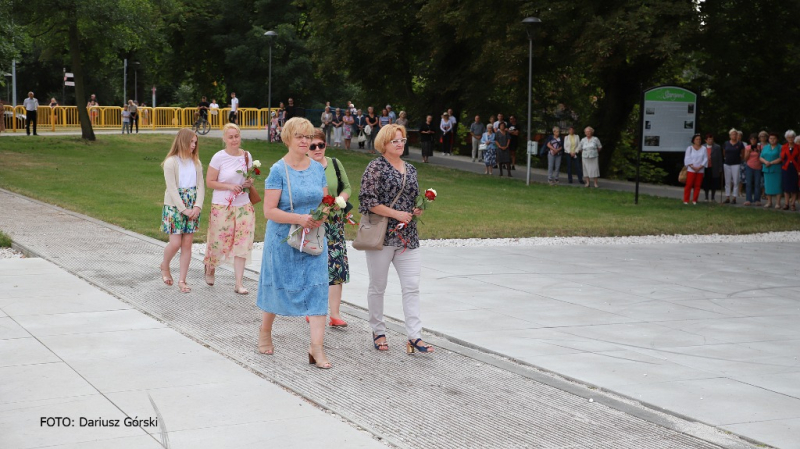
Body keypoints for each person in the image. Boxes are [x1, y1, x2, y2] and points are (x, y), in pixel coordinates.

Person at [257, 117, 331, 368]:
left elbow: (324, 201)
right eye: (300, 136)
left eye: (308, 137)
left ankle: (316, 348)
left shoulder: (318, 168)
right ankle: (265, 331)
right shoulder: (278, 170)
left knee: (319, 288)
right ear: (287, 138)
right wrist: (300, 218)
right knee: (277, 284)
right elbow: (269, 210)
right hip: (283, 239)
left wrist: (323, 214)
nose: (305, 141)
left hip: (313, 238)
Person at [359, 124, 433, 355]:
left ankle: (414, 336)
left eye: (402, 140)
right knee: (378, 286)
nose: (400, 144)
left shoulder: (411, 169)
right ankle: (378, 330)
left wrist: (416, 209)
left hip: (408, 236)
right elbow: (367, 201)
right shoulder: (375, 167)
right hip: (382, 236)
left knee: (411, 287)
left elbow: (411, 197)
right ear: (384, 144)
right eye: (395, 141)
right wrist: (396, 214)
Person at [203, 123, 256, 294]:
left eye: (236, 136)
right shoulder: (219, 157)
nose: (234, 140)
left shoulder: (246, 156)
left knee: (242, 243)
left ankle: (238, 283)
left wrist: (248, 183)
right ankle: (210, 266)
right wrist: (228, 186)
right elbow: (210, 182)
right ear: (224, 139)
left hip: (243, 205)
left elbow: (248, 178)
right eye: (230, 137)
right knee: (218, 241)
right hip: (222, 205)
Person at [307, 128, 351, 327]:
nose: (317, 149)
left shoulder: (334, 163)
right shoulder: (304, 167)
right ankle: (313, 309)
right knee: (313, 266)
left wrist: (341, 199)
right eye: (313, 145)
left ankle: (335, 313)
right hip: (314, 223)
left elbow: (347, 187)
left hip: (335, 223)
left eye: (321, 145)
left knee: (336, 266)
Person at [160, 129, 204, 293]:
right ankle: (165, 265)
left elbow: (200, 186)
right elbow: (171, 189)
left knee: (187, 244)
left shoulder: (196, 163)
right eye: (191, 142)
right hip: (175, 207)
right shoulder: (171, 162)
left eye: (195, 142)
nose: (194, 145)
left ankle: (182, 280)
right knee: (175, 243)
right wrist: (183, 209)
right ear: (183, 141)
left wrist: (197, 206)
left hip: (192, 206)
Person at [683, 134, 708, 205]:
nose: (698, 141)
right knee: (689, 184)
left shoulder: (703, 148)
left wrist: (700, 167)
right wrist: (692, 166)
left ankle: (694, 200)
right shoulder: (690, 148)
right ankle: (686, 200)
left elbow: (705, 158)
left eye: (699, 139)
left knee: (697, 185)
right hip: (691, 169)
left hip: (700, 169)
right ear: (694, 140)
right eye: (697, 139)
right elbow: (687, 158)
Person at [760, 132, 783, 209]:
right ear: (768, 139)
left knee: (778, 186)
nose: (772, 140)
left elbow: (781, 158)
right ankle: (769, 202)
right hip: (767, 169)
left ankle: (778, 203)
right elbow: (761, 157)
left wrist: (771, 162)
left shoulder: (780, 147)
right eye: (770, 138)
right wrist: (766, 162)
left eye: (774, 138)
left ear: (777, 139)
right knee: (768, 186)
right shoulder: (765, 147)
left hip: (776, 169)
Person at [722, 128, 744, 204]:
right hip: (727, 164)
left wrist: (738, 159)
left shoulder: (740, 144)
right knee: (727, 181)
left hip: (736, 164)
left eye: (735, 134)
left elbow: (742, 154)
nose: (734, 135)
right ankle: (727, 197)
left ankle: (734, 198)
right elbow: (724, 153)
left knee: (736, 181)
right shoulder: (726, 143)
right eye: (733, 134)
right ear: (730, 135)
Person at [780, 130, 800, 211]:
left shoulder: (798, 147)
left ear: (794, 137)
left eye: (792, 137)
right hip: (786, 168)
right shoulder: (784, 147)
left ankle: (793, 204)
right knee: (786, 187)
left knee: (794, 187)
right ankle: (786, 204)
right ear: (786, 138)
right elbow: (782, 157)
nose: (790, 138)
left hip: (795, 168)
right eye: (789, 137)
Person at [702, 134, 723, 202]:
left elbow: (720, 158)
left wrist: (720, 168)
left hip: (714, 167)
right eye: (709, 139)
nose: (710, 141)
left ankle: (713, 197)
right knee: (706, 182)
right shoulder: (703, 147)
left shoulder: (717, 147)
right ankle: (706, 197)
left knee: (714, 182)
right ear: (706, 140)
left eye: (711, 139)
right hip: (706, 167)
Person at [743, 133, 763, 206]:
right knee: (748, 183)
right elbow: (745, 159)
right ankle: (748, 199)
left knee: (757, 184)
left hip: (758, 167)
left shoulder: (760, 147)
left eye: (754, 139)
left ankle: (757, 199)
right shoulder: (747, 147)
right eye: (751, 139)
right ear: (750, 140)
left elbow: (762, 157)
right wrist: (749, 152)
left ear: (756, 140)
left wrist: (758, 151)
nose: (753, 140)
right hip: (749, 166)